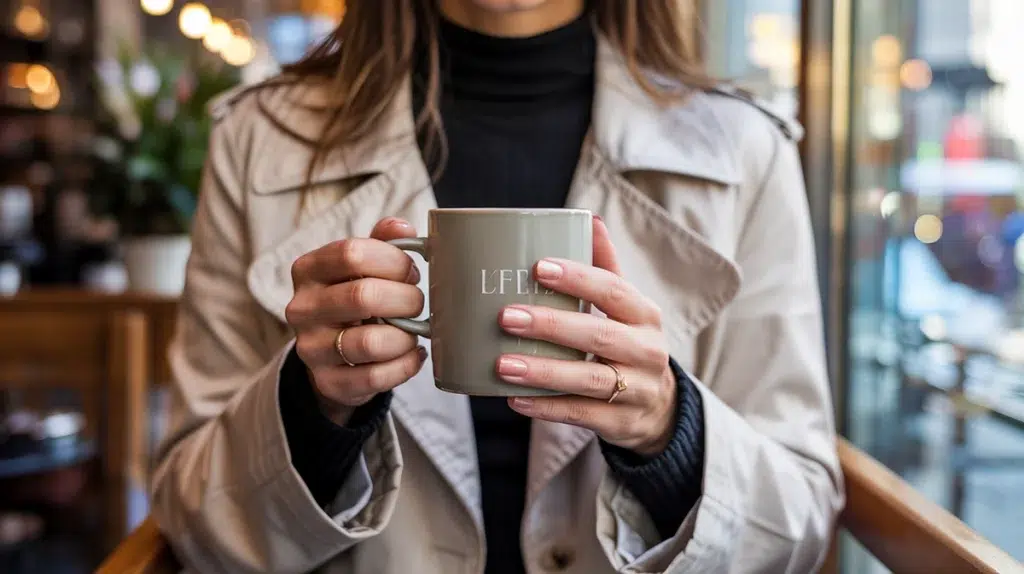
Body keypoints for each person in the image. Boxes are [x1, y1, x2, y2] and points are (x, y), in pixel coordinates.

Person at [150, 1, 844, 573]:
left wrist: (669, 433)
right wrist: (310, 410)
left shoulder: (745, 151)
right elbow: (195, 523)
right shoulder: (257, 142)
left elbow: (798, 528)